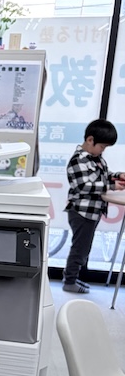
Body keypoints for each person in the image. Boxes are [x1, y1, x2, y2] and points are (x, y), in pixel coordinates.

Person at [63, 119, 125, 294]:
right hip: (81, 212)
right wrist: (112, 186)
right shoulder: (78, 160)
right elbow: (83, 186)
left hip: (92, 211)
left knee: (84, 248)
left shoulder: (96, 159)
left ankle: (73, 277)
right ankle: (69, 281)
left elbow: (103, 175)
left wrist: (117, 175)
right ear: (90, 140)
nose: (103, 150)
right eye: (102, 147)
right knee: (80, 249)